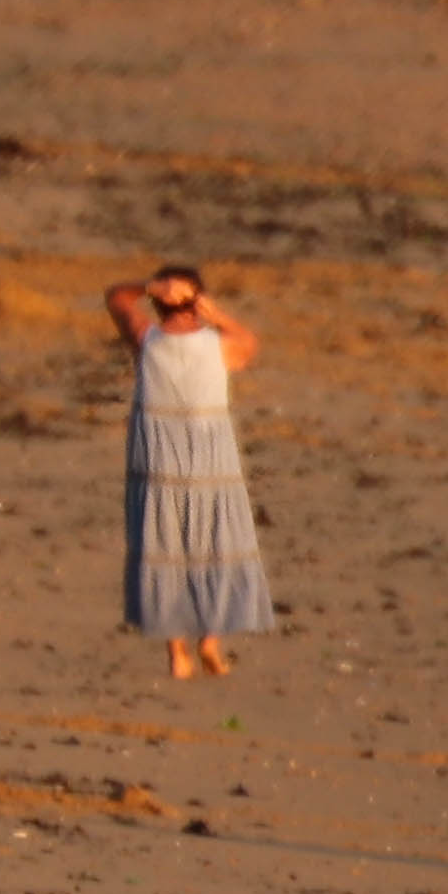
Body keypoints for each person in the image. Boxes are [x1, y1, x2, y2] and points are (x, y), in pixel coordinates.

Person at [105, 263, 274, 680]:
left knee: (164, 545)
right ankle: (210, 642)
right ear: (196, 303)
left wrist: (146, 286)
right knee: (216, 541)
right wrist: (214, 313)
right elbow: (249, 343)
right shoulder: (217, 345)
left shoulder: (147, 340)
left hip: (159, 461)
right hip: (209, 463)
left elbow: (116, 298)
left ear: (158, 305)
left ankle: (177, 652)